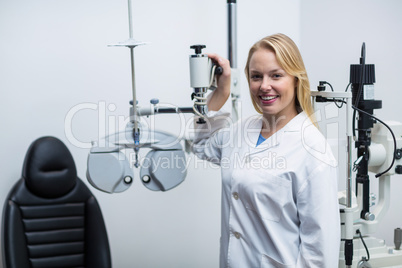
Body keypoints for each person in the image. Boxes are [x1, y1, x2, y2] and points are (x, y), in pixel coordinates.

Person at [192, 33, 340, 267]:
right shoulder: (242, 130)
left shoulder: (313, 151)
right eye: (256, 76)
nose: (264, 86)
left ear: (296, 79)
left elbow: (319, 253)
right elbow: (202, 145)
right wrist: (222, 90)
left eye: (276, 75)